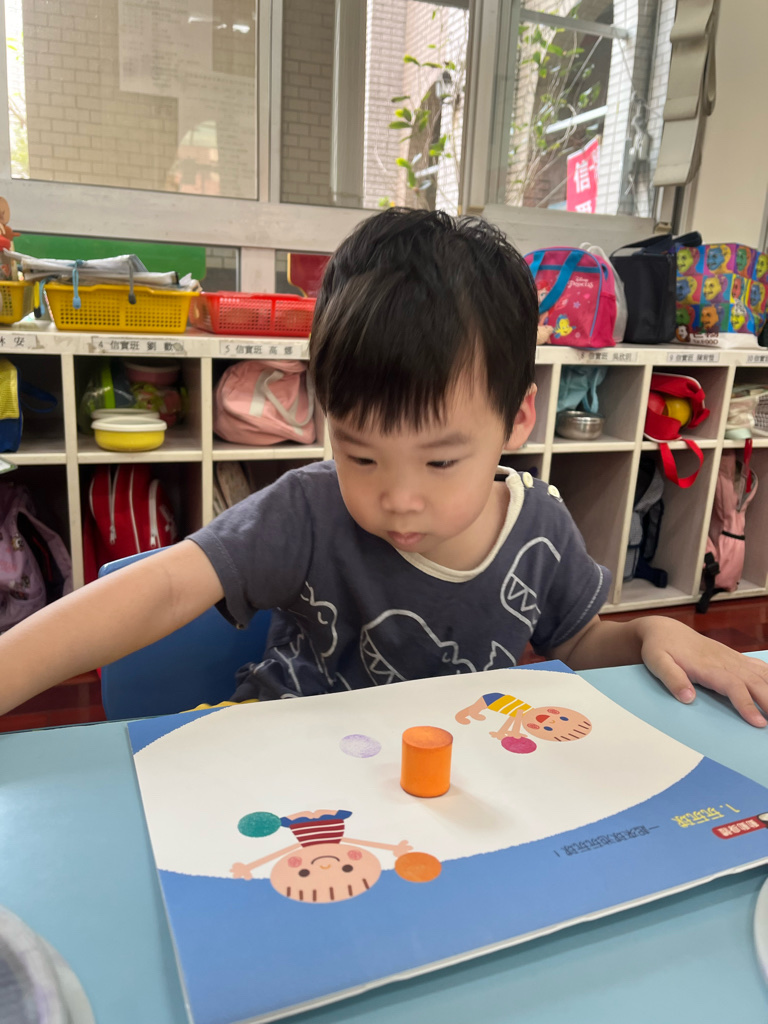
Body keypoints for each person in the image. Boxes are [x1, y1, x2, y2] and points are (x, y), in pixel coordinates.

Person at [1, 209, 766, 726]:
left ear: (517, 419)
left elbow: (581, 643)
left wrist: (647, 632)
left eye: (442, 460)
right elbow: (166, 585)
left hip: (443, 782)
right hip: (289, 763)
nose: (398, 498)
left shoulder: (541, 529)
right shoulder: (306, 511)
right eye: (360, 454)